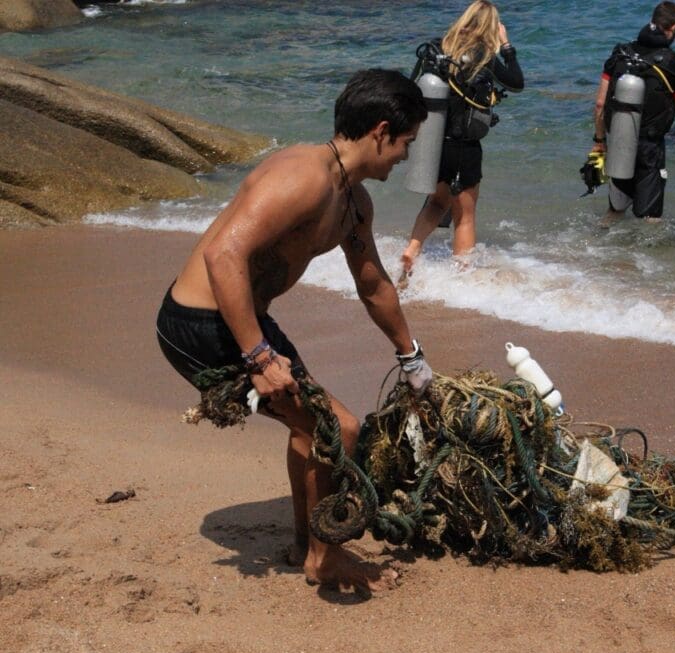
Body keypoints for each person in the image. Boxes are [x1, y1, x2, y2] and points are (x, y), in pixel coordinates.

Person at [155, 69, 434, 594]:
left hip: (245, 322)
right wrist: (260, 358)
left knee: (314, 427)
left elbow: (373, 286)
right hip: (198, 324)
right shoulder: (302, 176)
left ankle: (308, 543)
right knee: (340, 428)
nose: (404, 157)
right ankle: (324, 560)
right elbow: (223, 255)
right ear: (380, 131)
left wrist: (412, 359)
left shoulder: (354, 203)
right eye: (406, 143)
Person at [399, 0, 523, 277]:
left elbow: (412, 85)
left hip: (432, 142)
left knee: (436, 203)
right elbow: (516, 83)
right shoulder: (484, 57)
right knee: (464, 216)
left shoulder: (436, 48)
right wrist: (506, 46)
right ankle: (462, 275)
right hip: (465, 146)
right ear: (491, 27)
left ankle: (412, 248)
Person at [591, 1, 675, 219]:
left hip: (619, 139)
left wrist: (600, 140)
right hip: (650, 147)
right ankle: (649, 254)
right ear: (674, 28)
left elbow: (600, 104)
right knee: (651, 218)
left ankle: (595, 246)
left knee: (615, 209)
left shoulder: (620, 54)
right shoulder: (673, 63)